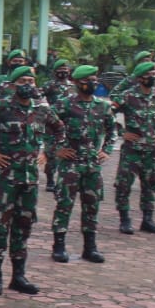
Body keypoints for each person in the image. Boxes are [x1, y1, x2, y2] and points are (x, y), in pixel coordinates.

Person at [0, 66, 63, 295]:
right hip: (4, 179)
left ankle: (18, 276)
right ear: (12, 84)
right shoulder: (1, 107)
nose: (28, 84)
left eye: (31, 80)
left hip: (30, 179)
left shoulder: (42, 110)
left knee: (23, 226)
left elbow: (59, 130)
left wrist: (48, 152)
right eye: (23, 80)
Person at [50, 65, 117, 264]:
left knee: (92, 206)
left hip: (92, 166)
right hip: (70, 165)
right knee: (64, 205)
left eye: (95, 79)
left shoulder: (103, 106)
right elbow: (46, 126)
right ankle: (59, 246)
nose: (93, 83)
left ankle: (90, 247)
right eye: (88, 80)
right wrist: (57, 149)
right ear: (78, 83)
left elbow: (112, 131)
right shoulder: (65, 104)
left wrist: (106, 150)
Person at [110, 61, 155, 235]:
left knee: (149, 184)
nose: (153, 77)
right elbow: (107, 114)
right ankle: (125, 219)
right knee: (124, 184)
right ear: (140, 78)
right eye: (149, 74)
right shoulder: (128, 96)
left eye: (154, 74)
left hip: (151, 149)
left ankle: (148, 219)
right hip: (132, 149)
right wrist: (121, 132)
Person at [41, 60, 76, 193]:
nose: (63, 71)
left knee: (67, 153)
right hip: (52, 125)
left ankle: (62, 181)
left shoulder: (73, 86)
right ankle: (50, 179)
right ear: (55, 71)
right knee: (51, 153)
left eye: (65, 69)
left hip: (68, 125)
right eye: (60, 69)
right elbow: (38, 99)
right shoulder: (49, 85)